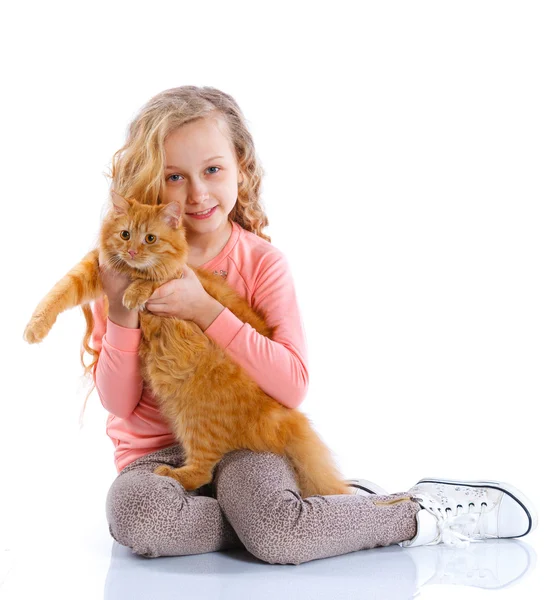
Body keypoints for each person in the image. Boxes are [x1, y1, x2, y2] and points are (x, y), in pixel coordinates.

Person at [89, 85, 538, 564]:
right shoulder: (123, 262)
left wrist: (206, 310)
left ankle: (417, 512)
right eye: (175, 176)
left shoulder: (262, 263)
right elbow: (118, 402)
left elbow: (292, 384)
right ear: (150, 181)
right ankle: (309, 513)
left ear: (241, 165)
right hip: (158, 457)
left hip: (244, 443)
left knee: (279, 539)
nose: (197, 193)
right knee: (137, 518)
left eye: (213, 170)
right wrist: (121, 312)